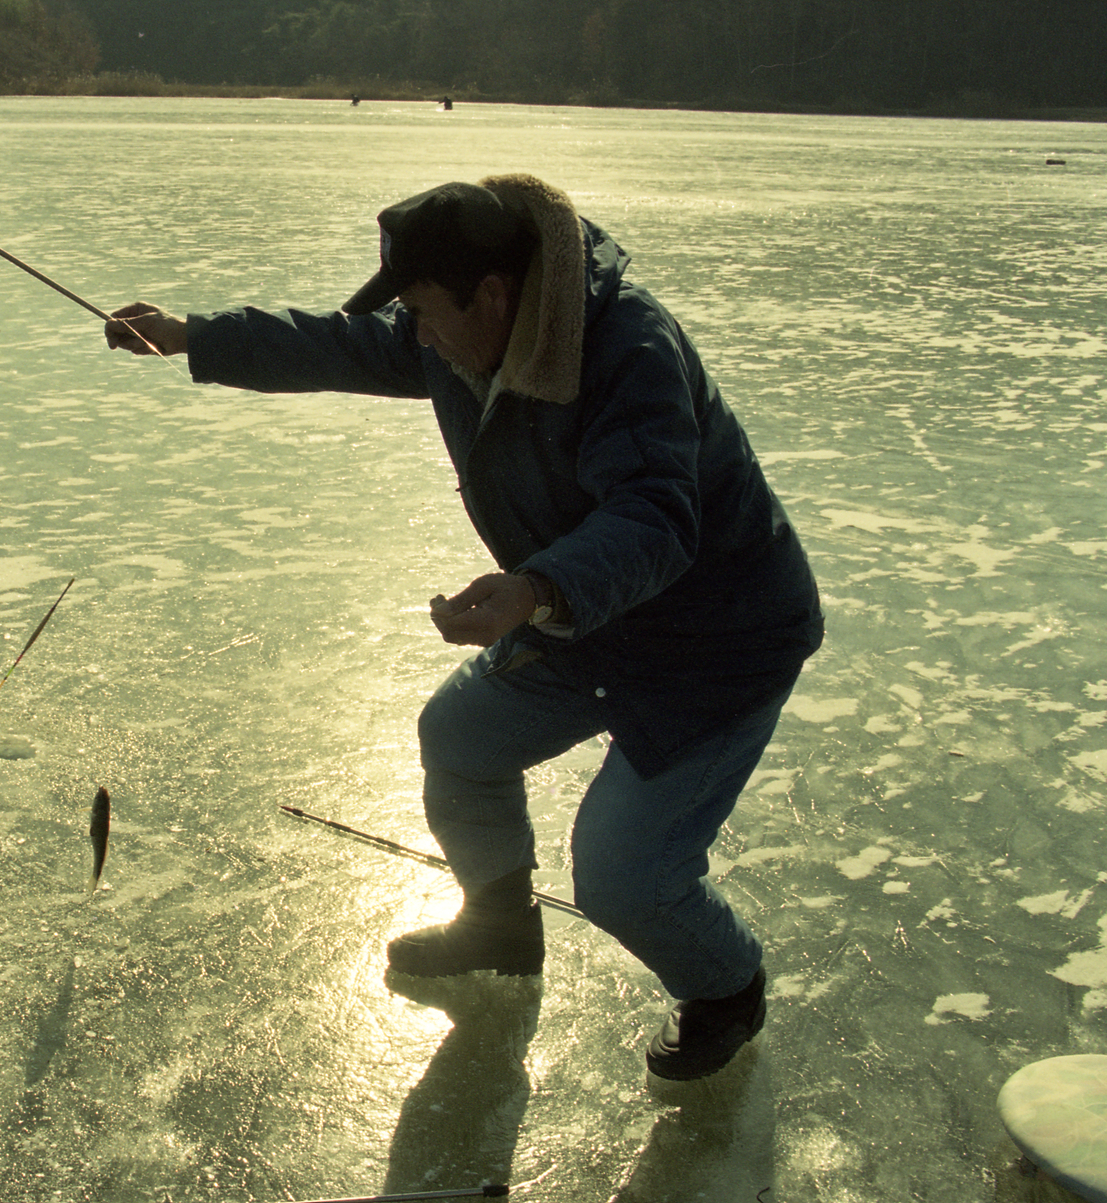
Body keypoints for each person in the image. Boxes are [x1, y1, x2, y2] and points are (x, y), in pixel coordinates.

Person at [104, 176, 823, 1082]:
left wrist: (534, 588)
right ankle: (500, 930)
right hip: (583, 616)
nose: (420, 334)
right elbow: (342, 344)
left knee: (622, 876)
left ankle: (727, 988)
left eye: (428, 312)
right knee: (460, 736)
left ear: (492, 294)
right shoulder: (462, 338)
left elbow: (655, 520)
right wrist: (193, 337)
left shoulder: (627, 349)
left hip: (714, 643)